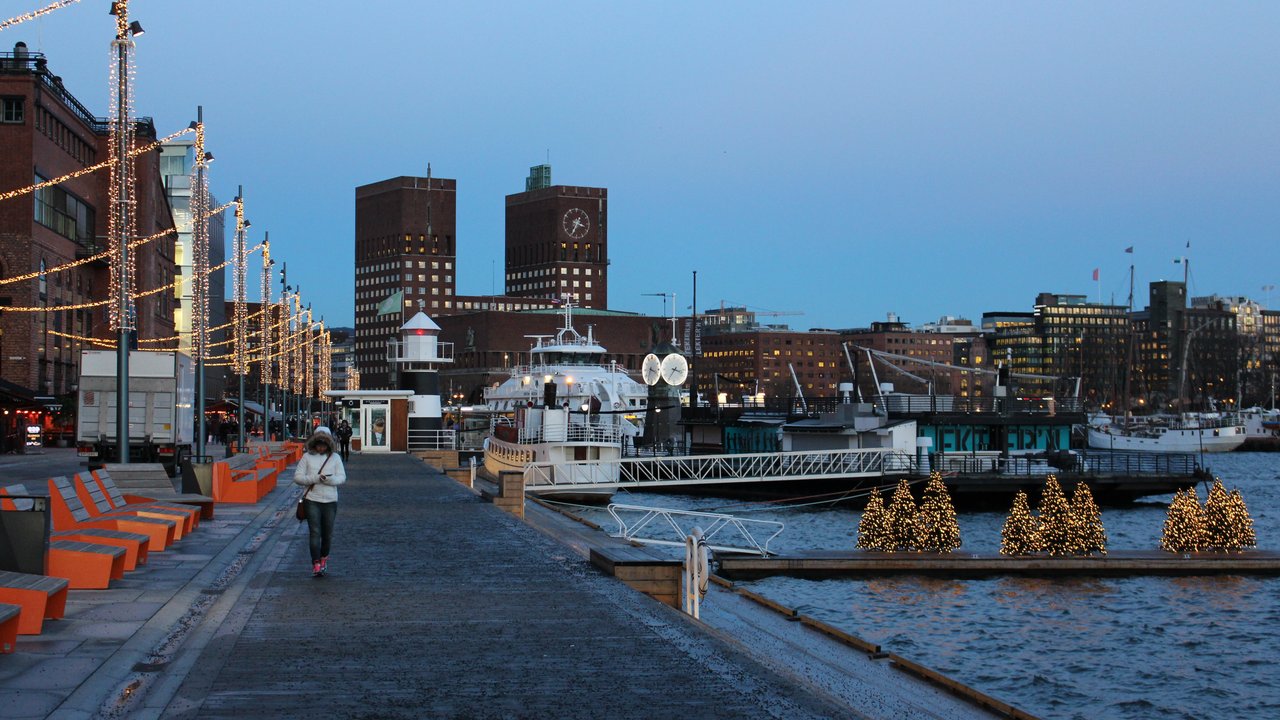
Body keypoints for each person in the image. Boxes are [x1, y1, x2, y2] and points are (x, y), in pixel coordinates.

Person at [293, 428, 346, 577]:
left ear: (328, 444)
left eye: (324, 445)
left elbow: (342, 477)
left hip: (330, 500)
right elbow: (297, 477)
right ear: (314, 443)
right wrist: (314, 479)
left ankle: (324, 558)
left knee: (327, 533)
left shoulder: (335, 458)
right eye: (318, 444)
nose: (321, 448)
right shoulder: (306, 457)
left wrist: (329, 480)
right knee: (315, 532)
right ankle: (315, 562)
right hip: (312, 500)